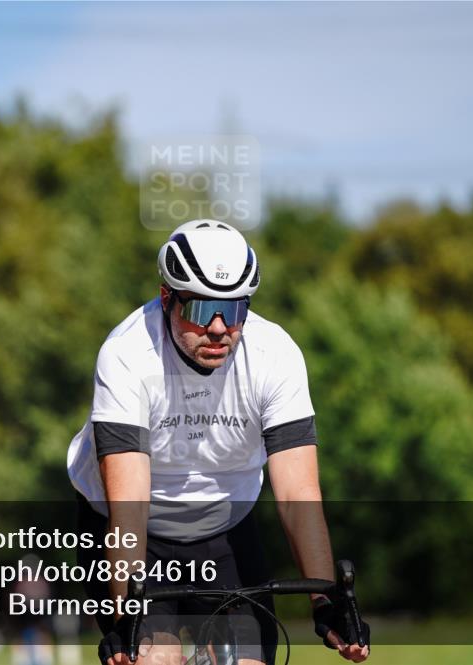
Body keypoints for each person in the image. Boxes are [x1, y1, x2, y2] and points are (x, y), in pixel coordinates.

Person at [67, 220, 370, 665]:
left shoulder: (275, 354)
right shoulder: (127, 355)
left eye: (233, 310)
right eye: (202, 307)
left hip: (225, 527)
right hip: (134, 532)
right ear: (167, 297)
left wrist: (326, 601)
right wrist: (124, 618)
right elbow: (129, 506)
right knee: (154, 658)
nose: (218, 327)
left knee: (246, 661)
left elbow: (297, 493)